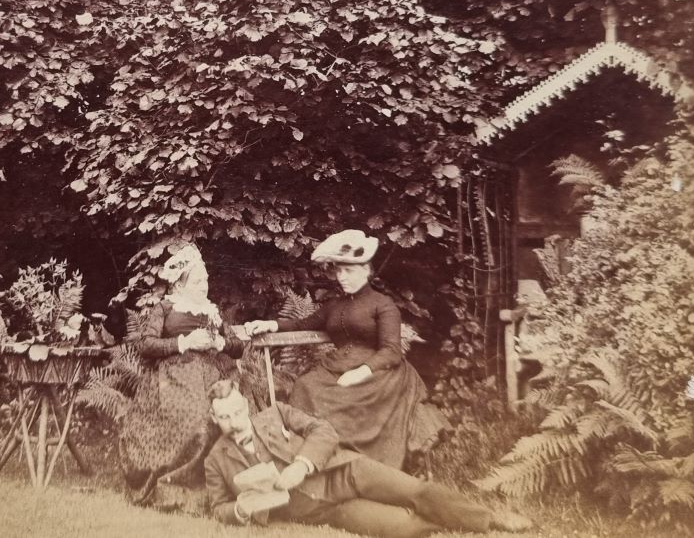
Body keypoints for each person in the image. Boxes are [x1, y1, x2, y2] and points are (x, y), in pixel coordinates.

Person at [205, 380, 532, 537]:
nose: (234, 422)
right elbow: (219, 506)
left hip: (345, 472)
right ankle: (445, 523)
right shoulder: (215, 460)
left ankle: (489, 519)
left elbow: (324, 430)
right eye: (224, 417)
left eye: (237, 412)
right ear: (214, 418)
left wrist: (301, 465)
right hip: (322, 510)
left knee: (415, 490)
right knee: (401, 528)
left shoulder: (275, 413)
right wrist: (241, 509)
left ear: (246, 405)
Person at [245, 229, 447, 469]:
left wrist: (361, 372)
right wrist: (271, 324)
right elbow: (302, 324)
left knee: (345, 397)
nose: (342, 277)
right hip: (338, 366)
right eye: (339, 270)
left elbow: (392, 351)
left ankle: (358, 463)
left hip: (380, 373)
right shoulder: (335, 305)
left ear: (365, 270)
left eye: (349, 271)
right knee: (306, 385)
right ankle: (311, 457)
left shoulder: (383, 304)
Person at [118, 243, 245, 511]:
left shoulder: (211, 311)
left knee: (216, 417)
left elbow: (238, 348)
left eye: (206, 280)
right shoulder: (165, 308)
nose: (204, 286)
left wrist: (220, 343)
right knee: (195, 421)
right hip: (171, 376)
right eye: (197, 281)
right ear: (180, 285)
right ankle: (177, 489)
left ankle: (218, 487)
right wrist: (184, 342)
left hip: (210, 375)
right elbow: (146, 345)